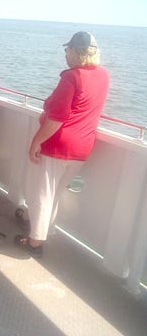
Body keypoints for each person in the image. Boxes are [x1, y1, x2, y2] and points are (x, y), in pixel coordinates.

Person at [14, 31, 110, 258]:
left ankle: (35, 243)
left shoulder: (71, 77)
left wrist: (36, 142)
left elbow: (57, 117)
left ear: (76, 53)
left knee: (42, 194)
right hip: (83, 147)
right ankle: (43, 227)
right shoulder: (104, 75)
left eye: (67, 50)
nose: (65, 53)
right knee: (53, 192)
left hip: (58, 145)